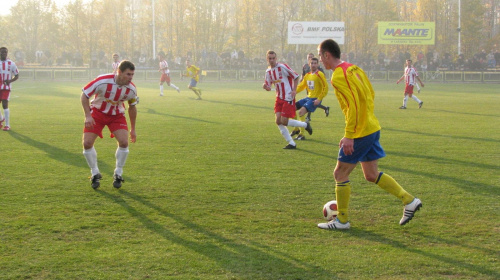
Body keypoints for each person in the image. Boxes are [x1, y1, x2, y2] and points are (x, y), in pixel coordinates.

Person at [316, 39, 422, 230]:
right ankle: (409, 200)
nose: (320, 60)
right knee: (371, 174)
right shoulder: (354, 68)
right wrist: (367, 119)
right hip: (371, 127)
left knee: (340, 173)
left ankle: (342, 221)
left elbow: (354, 104)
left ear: (326, 55)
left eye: (320, 56)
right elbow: (370, 94)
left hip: (360, 132)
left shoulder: (338, 75)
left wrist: (349, 134)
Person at [81, 60, 139, 190]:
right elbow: (84, 95)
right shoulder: (102, 80)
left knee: (124, 142)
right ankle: (95, 173)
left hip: (117, 115)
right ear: (119, 72)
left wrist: (133, 129)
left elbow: (132, 107)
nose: (130, 77)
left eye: (132, 75)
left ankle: (118, 173)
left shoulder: (131, 89)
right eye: (128, 74)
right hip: (97, 113)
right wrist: (88, 116)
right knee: (87, 144)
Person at [263, 50, 312, 149]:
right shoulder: (268, 72)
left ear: (276, 58)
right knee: (278, 121)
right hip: (279, 97)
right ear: (267, 59)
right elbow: (268, 86)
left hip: (288, 97)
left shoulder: (282, 67)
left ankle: (305, 125)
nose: (272, 60)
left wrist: (294, 90)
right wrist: (265, 86)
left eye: (273, 58)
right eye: (270, 58)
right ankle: (291, 143)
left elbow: (296, 76)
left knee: (284, 121)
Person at [290, 57, 328, 140]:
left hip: (315, 99)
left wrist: (319, 99)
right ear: (309, 64)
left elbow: (326, 87)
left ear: (318, 64)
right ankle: (296, 129)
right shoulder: (307, 75)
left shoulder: (320, 74)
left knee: (301, 112)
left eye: (315, 63)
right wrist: (294, 91)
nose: (313, 65)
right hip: (308, 98)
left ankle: (302, 134)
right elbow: (301, 86)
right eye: (312, 63)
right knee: (292, 108)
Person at [301, 53, 330, 118]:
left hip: (316, 88)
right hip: (308, 86)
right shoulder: (305, 66)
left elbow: (323, 77)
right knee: (311, 102)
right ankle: (325, 108)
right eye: (309, 57)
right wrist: (302, 79)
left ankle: (308, 116)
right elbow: (303, 74)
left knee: (312, 101)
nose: (310, 58)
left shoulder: (318, 68)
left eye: (311, 57)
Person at [0, 47, 20, 131]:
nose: (4, 53)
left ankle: (7, 125)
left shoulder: (11, 63)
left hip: (6, 88)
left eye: (5, 52)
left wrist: (10, 81)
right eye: (2, 52)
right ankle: (1, 119)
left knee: (5, 105)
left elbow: (17, 75)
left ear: (7, 53)